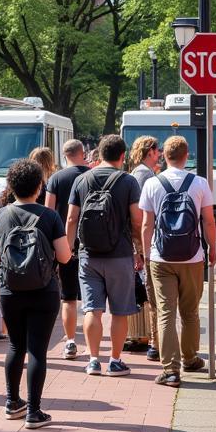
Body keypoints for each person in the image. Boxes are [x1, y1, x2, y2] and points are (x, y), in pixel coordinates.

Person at [0, 158, 72, 428]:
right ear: (39, 185)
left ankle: (12, 402)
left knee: (15, 345)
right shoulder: (50, 217)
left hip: (10, 290)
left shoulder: (0, 215)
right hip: (44, 289)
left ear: (11, 186)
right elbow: (65, 256)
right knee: (37, 349)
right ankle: (34, 411)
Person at [139, 135, 216, 387]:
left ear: (164, 156)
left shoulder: (152, 184)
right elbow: (208, 221)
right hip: (193, 256)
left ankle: (170, 370)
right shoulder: (200, 183)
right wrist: (212, 248)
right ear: (186, 155)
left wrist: (147, 253)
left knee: (165, 312)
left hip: (161, 257)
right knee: (190, 311)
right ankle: (191, 357)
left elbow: (147, 224)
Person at [66, 134, 142, 377]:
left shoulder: (81, 180)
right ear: (122, 155)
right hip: (120, 255)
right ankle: (115, 361)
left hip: (88, 255)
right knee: (120, 311)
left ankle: (93, 360)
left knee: (92, 309)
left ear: (98, 154)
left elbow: (71, 218)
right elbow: (137, 220)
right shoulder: (129, 182)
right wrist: (138, 249)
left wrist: (69, 249)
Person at [44, 139, 90, 359]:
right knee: (94, 296)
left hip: (63, 243)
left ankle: (70, 341)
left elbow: (48, 212)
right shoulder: (93, 175)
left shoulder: (56, 178)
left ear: (64, 155)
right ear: (84, 153)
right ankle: (94, 345)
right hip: (94, 243)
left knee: (68, 297)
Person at [128, 135, 161, 361]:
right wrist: (139, 250)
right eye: (157, 150)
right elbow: (138, 218)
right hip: (144, 244)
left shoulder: (140, 173)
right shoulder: (143, 175)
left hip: (141, 243)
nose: (159, 154)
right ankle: (150, 340)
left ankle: (148, 337)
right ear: (150, 151)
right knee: (150, 293)